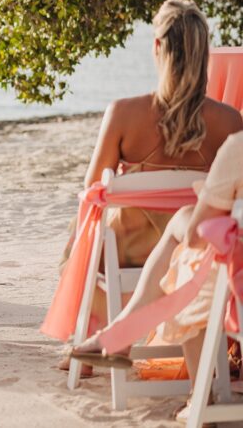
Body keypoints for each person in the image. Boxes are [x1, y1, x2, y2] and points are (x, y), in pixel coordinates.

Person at [60, 0, 243, 359]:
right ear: (204, 52)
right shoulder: (229, 122)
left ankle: (94, 338)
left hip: (127, 252)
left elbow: (93, 189)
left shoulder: (124, 114)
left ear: (157, 47)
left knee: (81, 234)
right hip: (194, 251)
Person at [71, 132, 243, 419]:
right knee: (192, 246)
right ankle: (121, 335)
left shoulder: (238, 146)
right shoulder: (225, 121)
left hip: (233, 294)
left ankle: (201, 397)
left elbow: (196, 234)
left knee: (188, 259)